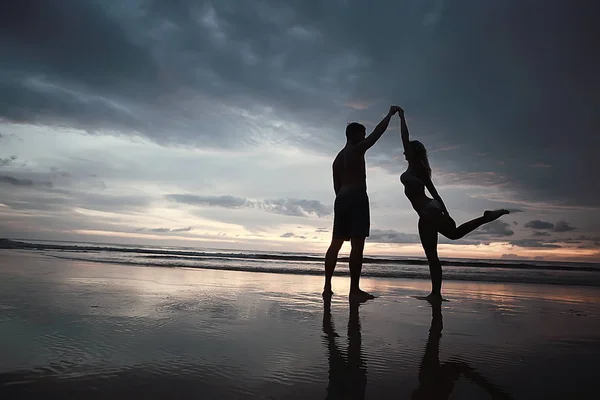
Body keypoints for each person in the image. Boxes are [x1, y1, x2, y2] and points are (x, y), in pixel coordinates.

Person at [398, 107, 509, 302]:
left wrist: (401, 116)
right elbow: (435, 194)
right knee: (454, 234)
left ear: (413, 152)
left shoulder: (418, 168)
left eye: (407, 151)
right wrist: (445, 213)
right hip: (430, 210)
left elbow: (434, 193)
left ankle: (435, 295)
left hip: (428, 212)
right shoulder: (415, 168)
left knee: (432, 255)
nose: (403, 152)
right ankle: (487, 217)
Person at [322, 105, 401, 302]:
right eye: (362, 134)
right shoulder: (356, 150)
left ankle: (327, 287)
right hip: (356, 196)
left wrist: (343, 201)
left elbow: (336, 187)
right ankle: (354, 290)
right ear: (355, 135)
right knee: (357, 245)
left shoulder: (337, 159)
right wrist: (389, 115)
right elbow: (377, 134)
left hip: (341, 199)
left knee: (336, 243)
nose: (364, 136)